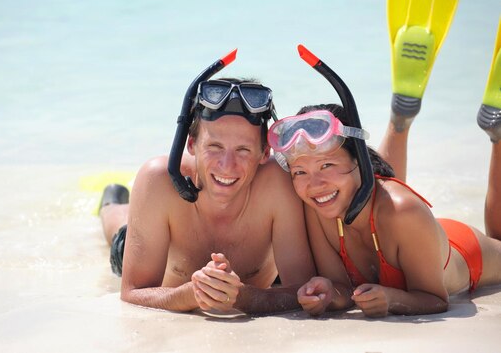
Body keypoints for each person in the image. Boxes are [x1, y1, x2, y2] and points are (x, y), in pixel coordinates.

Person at [267, 50, 501, 317]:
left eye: (327, 165)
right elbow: (343, 289)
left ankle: (498, 130)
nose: (315, 184)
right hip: (422, 238)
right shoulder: (317, 207)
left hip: (467, 253)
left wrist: (391, 299)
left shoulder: (405, 211)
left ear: (360, 159)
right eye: (299, 172)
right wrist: (329, 293)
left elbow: (436, 300)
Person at [98, 61, 315, 314]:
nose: (227, 165)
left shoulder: (278, 184)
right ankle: (111, 201)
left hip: (259, 284)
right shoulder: (158, 179)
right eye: (214, 147)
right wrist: (189, 295)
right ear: (191, 144)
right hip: (162, 275)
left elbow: (302, 291)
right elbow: (132, 291)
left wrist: (243, 296)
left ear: (265, 152)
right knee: (120, 231)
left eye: (243, 150)